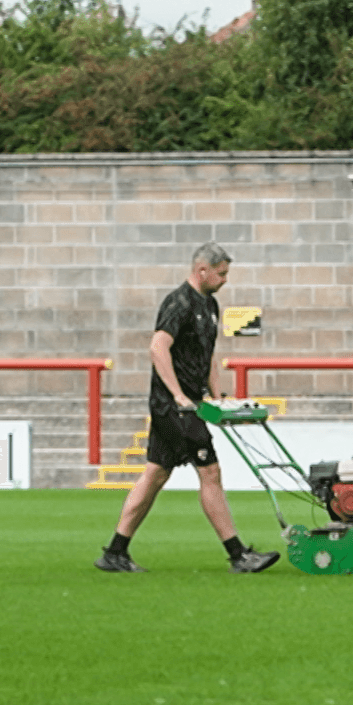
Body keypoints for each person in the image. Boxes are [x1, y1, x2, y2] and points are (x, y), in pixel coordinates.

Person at [96, 243, 280, 574]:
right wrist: (179, 395)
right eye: (221, 274)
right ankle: (238, 555)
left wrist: (217, 394)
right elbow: (158, 347)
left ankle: (115, 552)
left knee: (154, 475)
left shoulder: (210, 304)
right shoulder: (178, 304)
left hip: (190, 405)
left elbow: (206, 353)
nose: (225, 280)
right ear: (202, 271)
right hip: (176, 408)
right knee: (210, 472)